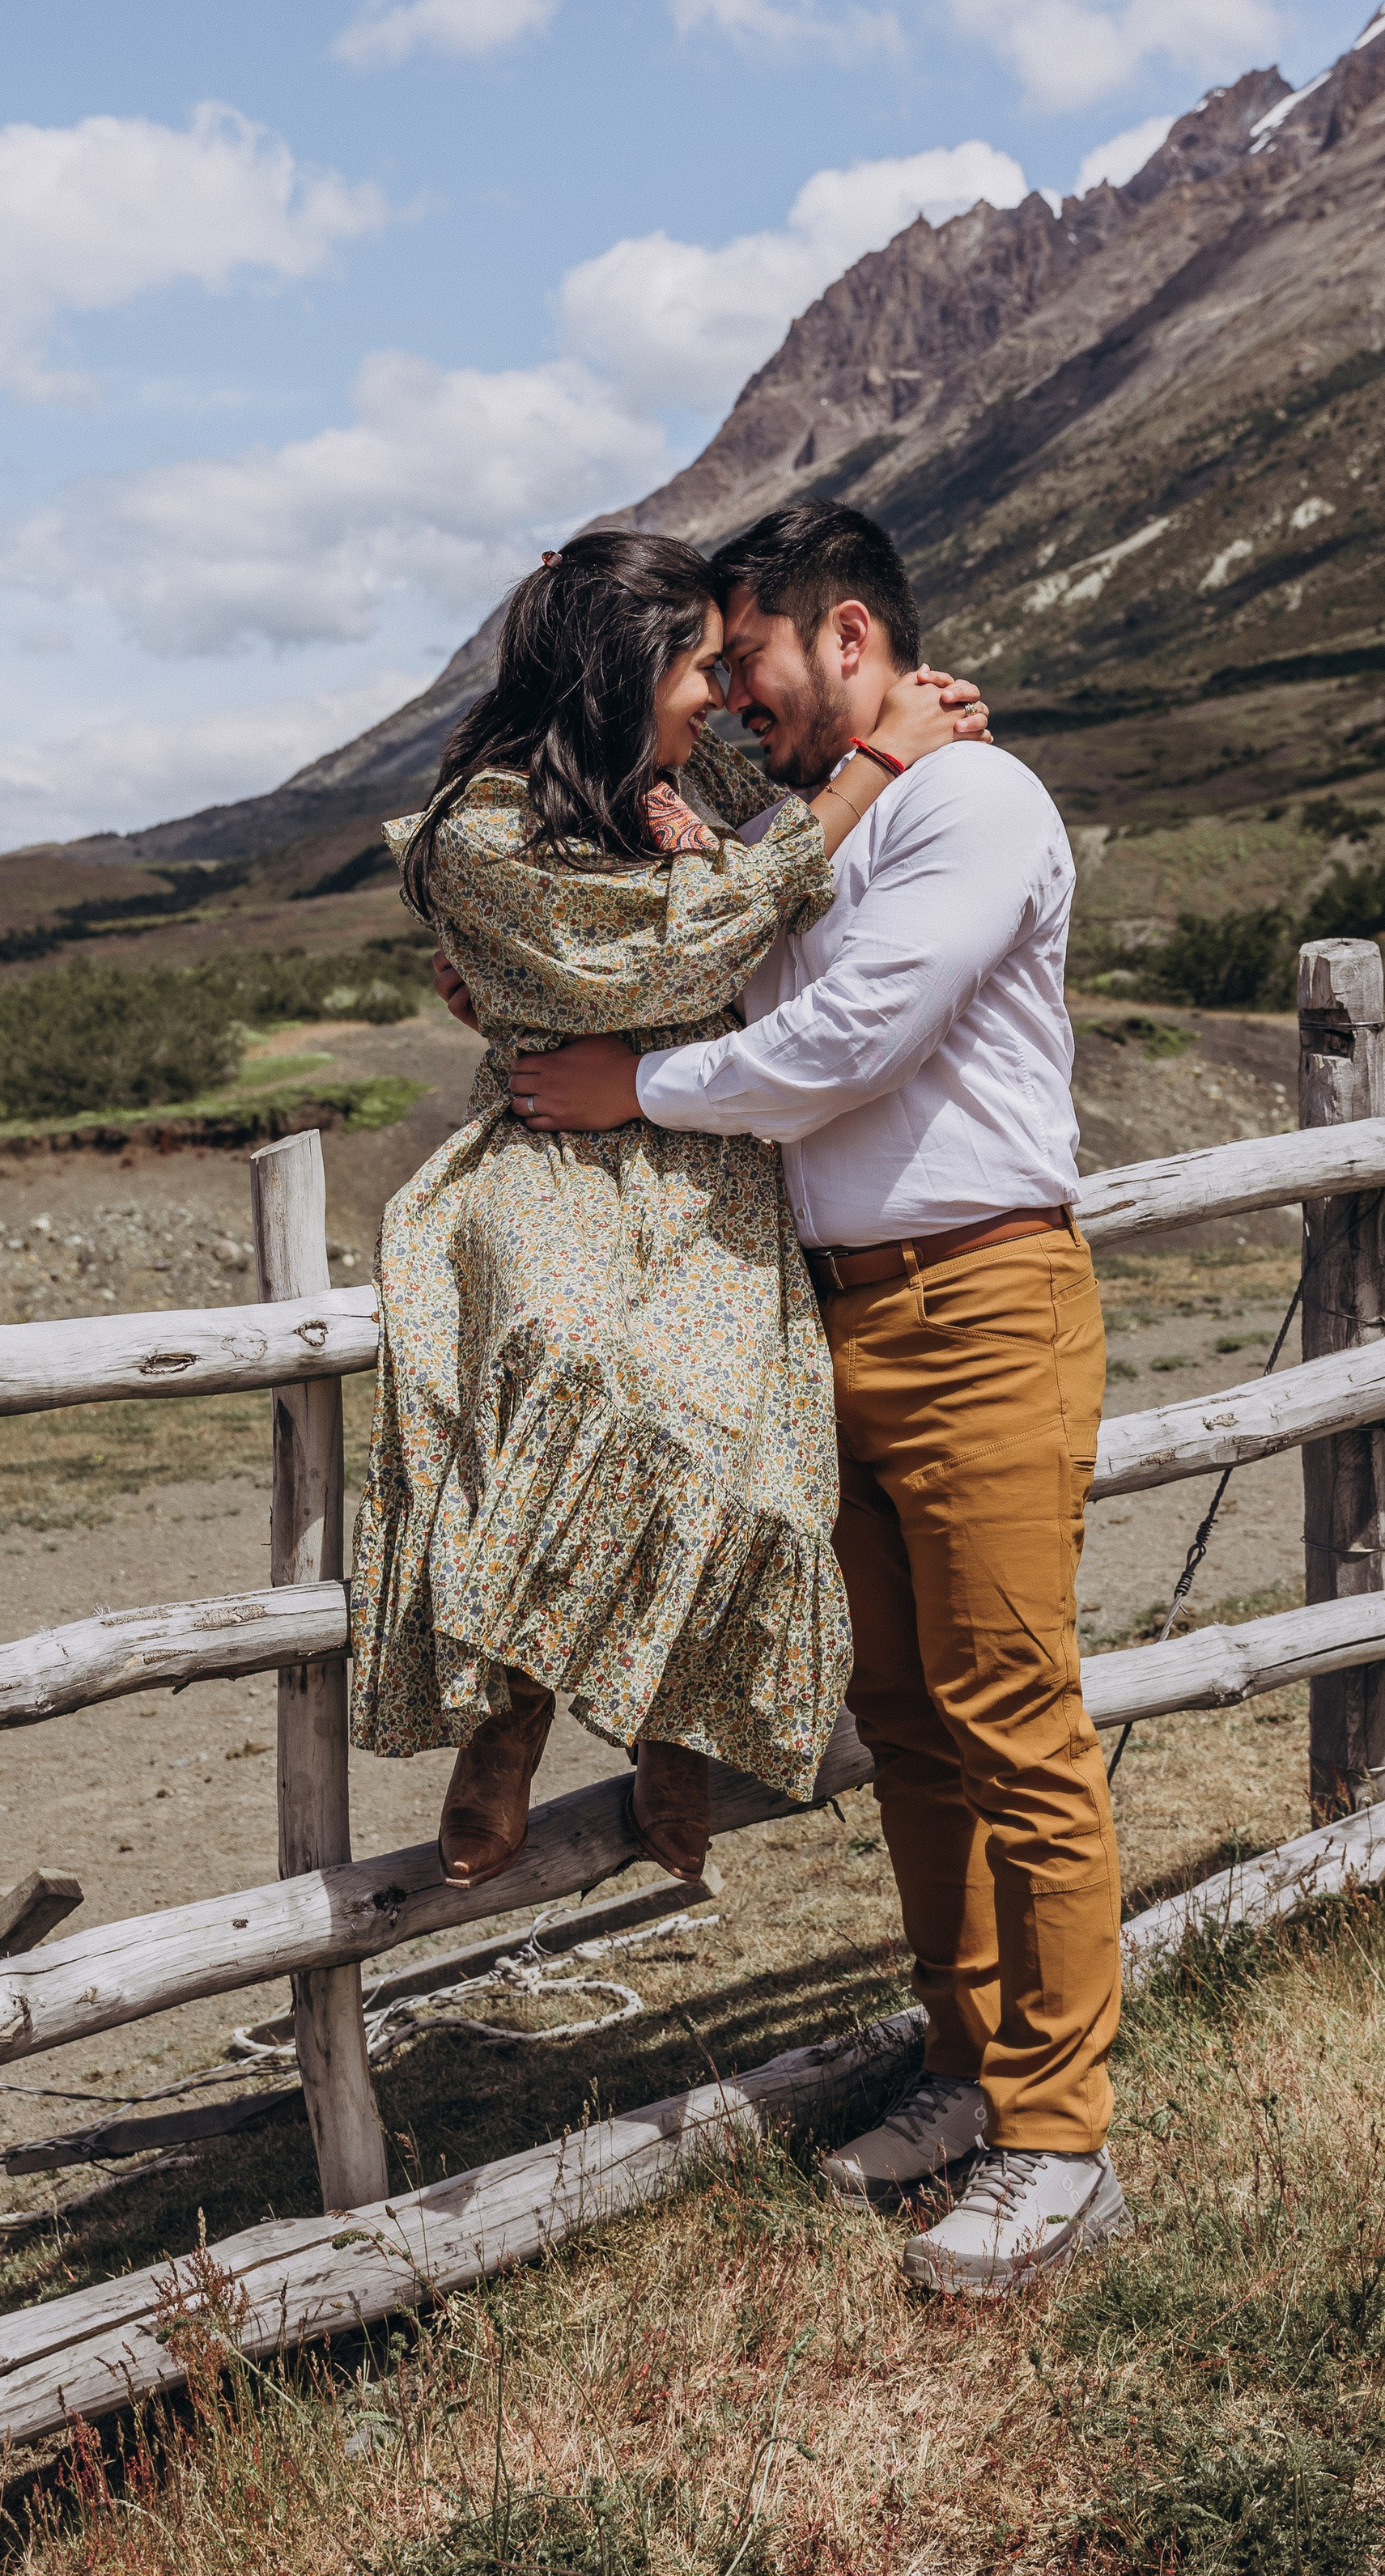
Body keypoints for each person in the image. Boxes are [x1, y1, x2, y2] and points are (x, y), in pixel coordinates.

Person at [504, 503, 1126, 2298]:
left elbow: (846, 1044)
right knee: (911, 1724)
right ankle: (967, 2071)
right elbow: (738, 949)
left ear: (841, 635)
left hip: (979, 1304)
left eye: (747, 660)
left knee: (1012, 1716)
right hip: (843, 1317)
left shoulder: (972, 807)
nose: (731, 701)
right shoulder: (836, 817)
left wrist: (637, 1090)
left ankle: (1063, 2143)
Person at [355, 529, 985, 1898]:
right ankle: (508, 1716)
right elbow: (683, 943)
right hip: (562, 1142)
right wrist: (890, 764)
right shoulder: (481, 828)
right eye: (701, 667)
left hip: (699, 1141)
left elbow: (769, 855)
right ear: (621, 667)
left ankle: (670, 1721)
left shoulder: (684, 780)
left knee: (737, 1428)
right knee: (572, 1367)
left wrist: (896, 727)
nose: (717, 696)